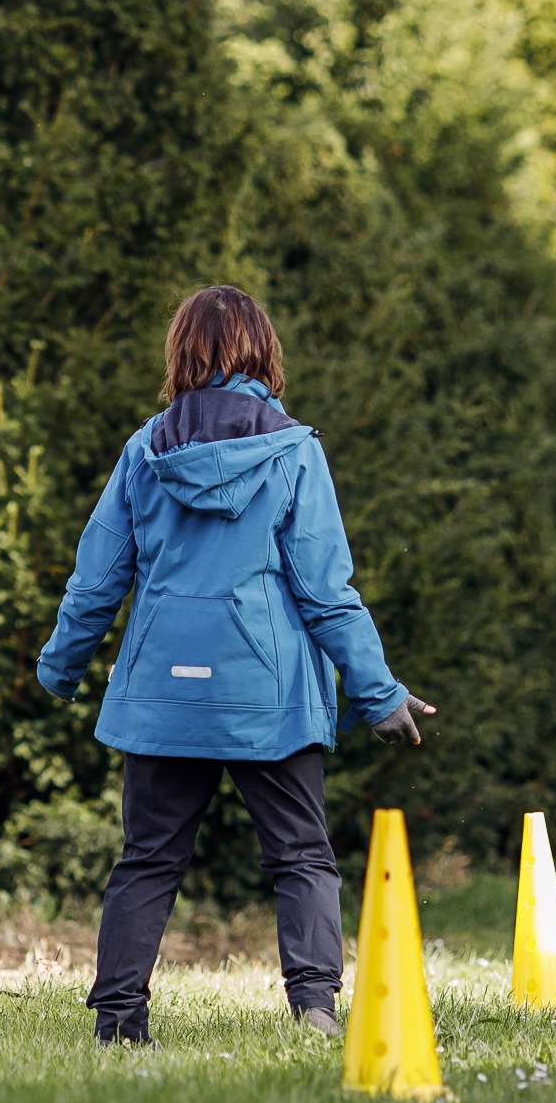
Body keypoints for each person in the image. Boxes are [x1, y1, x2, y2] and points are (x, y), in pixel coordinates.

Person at [36, 286, 434, 1046]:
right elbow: (325, 590)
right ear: (263, 352)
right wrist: (380, 694)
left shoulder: (144, 448)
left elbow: (97, 578)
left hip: (161, 692)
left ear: (181, 352)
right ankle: (315, 1012)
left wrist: (62, 667)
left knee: (148, 859)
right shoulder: (295, 451)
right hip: (268, 696)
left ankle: (119, 1020)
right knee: (301, 856)